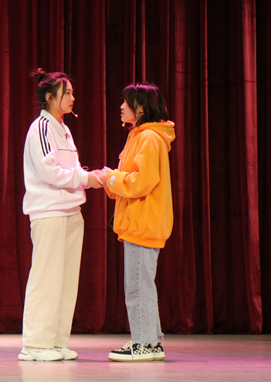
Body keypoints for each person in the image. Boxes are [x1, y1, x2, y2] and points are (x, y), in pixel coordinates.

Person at [19, 69, 105, 362]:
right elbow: (49, 171)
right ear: (49, 97)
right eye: (66, 93)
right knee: (46, 278)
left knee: (66, 281)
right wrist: (85, 178)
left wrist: (89, 178)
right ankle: (34, 344)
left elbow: (71, 169)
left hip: (70, 210)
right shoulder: (41, 128)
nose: (72, 97)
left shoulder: (64, 129)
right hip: (49, 211)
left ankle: (56, 341)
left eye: (71, 92)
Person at [99, 82, 175, 362]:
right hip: (138, 221)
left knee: (137, 287)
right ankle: (150, 342)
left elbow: (141, 182)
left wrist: (111, 177)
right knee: (143, 285)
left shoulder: (149, 138)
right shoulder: (139, 136)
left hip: (143, 222)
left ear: (141, 108)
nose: (121, 107)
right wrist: (111, 179)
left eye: (126, 102)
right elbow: (129, 178)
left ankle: (144, 343)